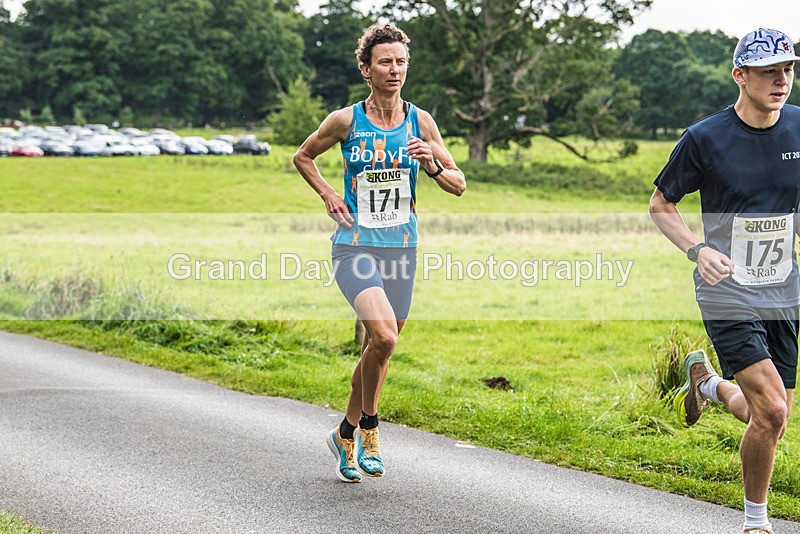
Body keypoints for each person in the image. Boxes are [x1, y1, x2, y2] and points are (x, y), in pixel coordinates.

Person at [293, 23, 466, 483]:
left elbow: (459, 184)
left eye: (401, 62)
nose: (395, 70)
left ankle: (344, 434)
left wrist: (431, 164)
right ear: (366, 69)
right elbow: (303, 156)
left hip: (402, 250)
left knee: (378, 349)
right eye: (385, 62)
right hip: (355, 247)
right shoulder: (346, 120)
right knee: (385, 337)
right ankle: (370, 426)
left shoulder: (420, 121)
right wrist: (330, 195)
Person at [649, 28, 800, 534]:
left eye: (788, 69)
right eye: (769, 72)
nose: (782, 80)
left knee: (768, 415)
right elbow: (661, 205)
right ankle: (756, 524)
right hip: (726, 288)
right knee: (775, 411)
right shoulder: (706, 138)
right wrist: (698, 249)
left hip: (783, 287)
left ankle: (709, 385)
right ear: (741, 76)